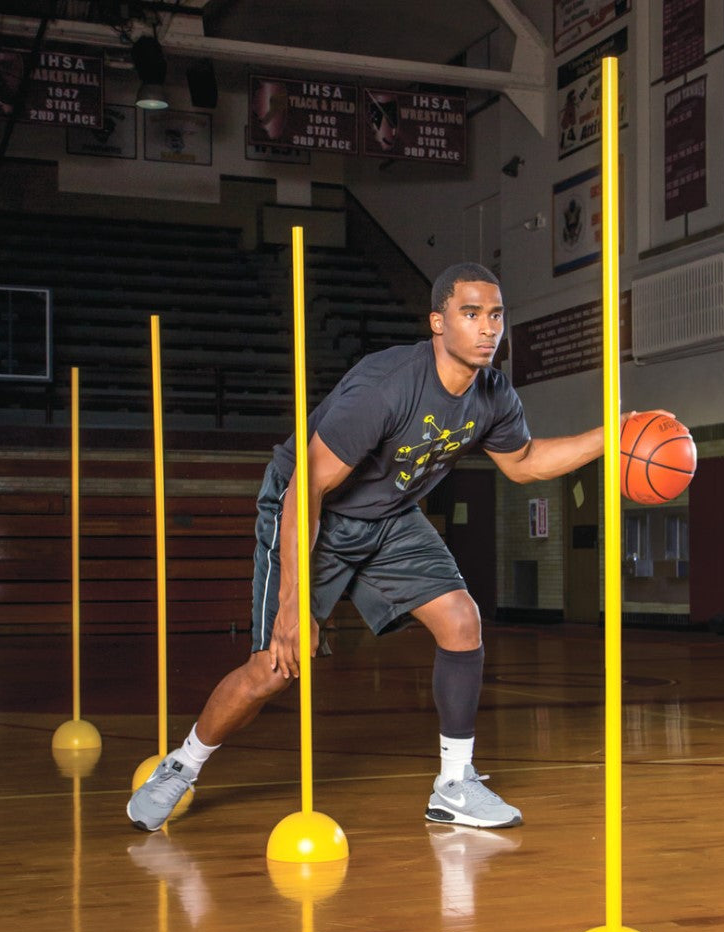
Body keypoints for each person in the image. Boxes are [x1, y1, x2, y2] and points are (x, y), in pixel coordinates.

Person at [128, 262, 649, 833]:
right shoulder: (387, 386)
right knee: (272, 669)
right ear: (437, 322)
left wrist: (615, 433)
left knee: (461, 621)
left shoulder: (494, 395)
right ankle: (182, 765)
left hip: (389, 517)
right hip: (312, 508)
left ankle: (455, 785)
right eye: (470, 313)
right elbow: (308, 487)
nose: (487, 328)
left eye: (496, 315)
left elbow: (524, 463)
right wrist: (292, 605)